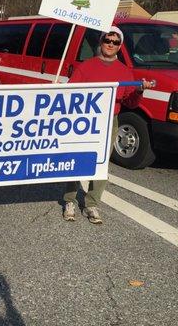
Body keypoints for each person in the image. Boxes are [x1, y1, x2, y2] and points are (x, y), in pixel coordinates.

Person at [62, 26, 153, 224]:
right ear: (101, 42)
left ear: (120, 47)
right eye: (107, 41)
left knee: (101, 163)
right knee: (77, 159)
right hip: (85, 122)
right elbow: (69, 93)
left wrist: (139, 91)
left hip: (109, 121)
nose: (110, 45)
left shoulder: (124, 71)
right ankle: (70, 199)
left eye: (115, 42)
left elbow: (130, 102)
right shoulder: (86, 66)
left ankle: (92, 203)